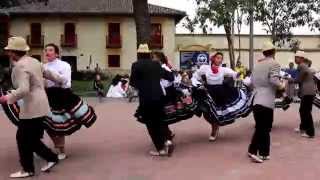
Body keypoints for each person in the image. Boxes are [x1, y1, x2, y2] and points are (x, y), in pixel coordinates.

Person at [0, 37, 64, 178]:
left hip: (32, 107)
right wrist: (60, 80)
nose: (8, 53)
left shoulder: (20, 66)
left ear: (13, 52)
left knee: (23, 138)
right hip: (41, 105)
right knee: (31, 138)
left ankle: (28, 169)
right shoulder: (34, 61)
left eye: (9, 50)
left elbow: (23, 89)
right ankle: (51, 158)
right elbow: (48, 73)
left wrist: (7, 97)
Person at [43, 43, 97, 160]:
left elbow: (66, 82)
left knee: (59, 123)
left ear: (56, 53)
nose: (47, 52)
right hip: (47, 95)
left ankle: (62, 150)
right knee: (46, 123)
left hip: (62, 95)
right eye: (46, 50)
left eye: (51, 50)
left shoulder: (64, 65)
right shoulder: (43, 66)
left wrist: (52, 77)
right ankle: (45, 147)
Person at [193, 52, 253, 142]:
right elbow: (195, 77)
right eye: (218, 58)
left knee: (217, 113)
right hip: (209, 93)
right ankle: (215, 126)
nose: (219, 60)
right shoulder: (205, 68)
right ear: (213, 58)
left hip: (220, 93)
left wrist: (238, 73)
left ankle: (214, 129)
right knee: (206, 113)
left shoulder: (223, 69)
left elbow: (233, 74)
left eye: (221, 58)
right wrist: (198, 85)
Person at [130, 44, 174, 157]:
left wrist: (142, 85)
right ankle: (167, 141)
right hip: (159, 96)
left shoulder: (135, 65)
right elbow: (169, 77)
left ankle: (161, 149)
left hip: (146, 98)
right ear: (148, 54)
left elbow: (133, 83)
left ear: (139, 54)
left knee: (151, 124)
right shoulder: (156, 64)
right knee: (160, 120)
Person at [248, 41, 285, 163]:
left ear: (264, 52)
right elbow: (274, 80)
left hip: (255, 99)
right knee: (264, 128)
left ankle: (256, 151)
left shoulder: (257, 65)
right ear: (274, 52)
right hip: (266, 100)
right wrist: (282, 86)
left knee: (261, 127)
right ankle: (258, 152)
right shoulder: (275, 63)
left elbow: (251, 82)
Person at [293, 51, 316, 138]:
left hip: (308, 91)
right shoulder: (304, 65)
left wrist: (291, 79)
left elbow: (299, 78)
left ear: (302, 58)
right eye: (295, 57)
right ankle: (303, 127)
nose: (295, 59)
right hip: (309, 91)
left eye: (297, 57)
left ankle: (310, 132)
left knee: (305, 111)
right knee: (303, 110)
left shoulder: (301, 65)